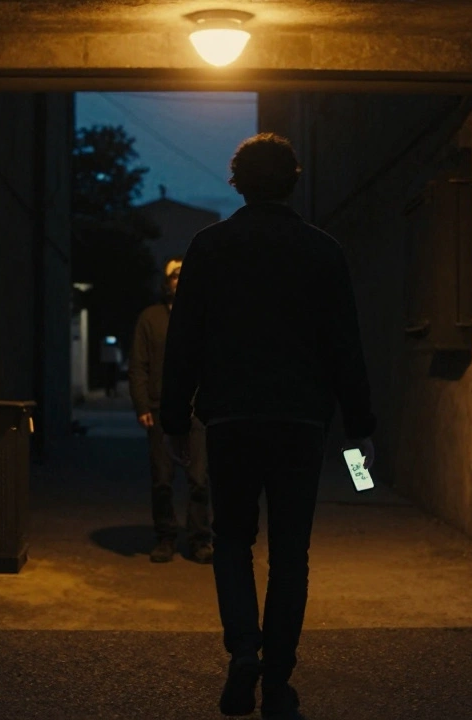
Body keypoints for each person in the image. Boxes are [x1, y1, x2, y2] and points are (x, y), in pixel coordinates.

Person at [160, 133, 375, 720]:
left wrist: (175, 419)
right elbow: (344, 346)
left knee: (232, 540)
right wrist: (361, 427)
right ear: (293, 181)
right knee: (290, 552)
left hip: (230, 418)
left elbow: (184, 341)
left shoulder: (209, 247)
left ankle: (244, 650)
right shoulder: (322, 250)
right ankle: (277, 678)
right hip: (301, 421)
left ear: (238, 183)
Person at [128, 256, 212, 564]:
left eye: (185, 274)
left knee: (200, 478)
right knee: (162, 479)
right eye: (175, 275)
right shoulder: (150, 319)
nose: (180, 279)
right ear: (168, 282)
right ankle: (165, 537)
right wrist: (141, 405)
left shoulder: (203, 317)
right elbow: (138, 365)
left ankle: (201, 539)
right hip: (160, 408)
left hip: (197, 410)